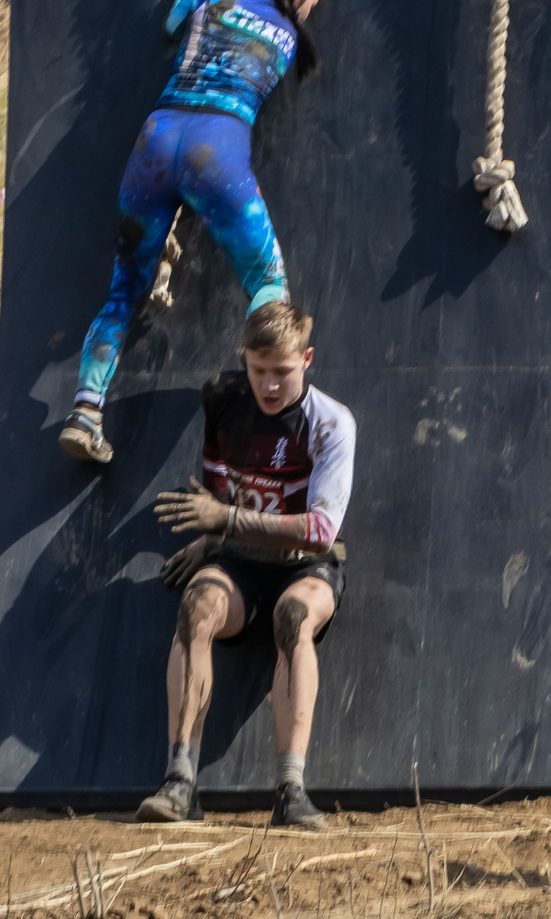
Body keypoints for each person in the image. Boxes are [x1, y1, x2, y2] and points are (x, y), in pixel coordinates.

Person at [59, 0, 325, 465]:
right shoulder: (289, 36)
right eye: (310, 4)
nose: (308, 15)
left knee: (123, 290)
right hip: (216, 148)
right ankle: (269, 402)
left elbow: (173, 21)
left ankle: (86, 411)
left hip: (155, 141)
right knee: (267, 280)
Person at [139, 302, 355, 830]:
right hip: (238, 562)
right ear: (245, 360)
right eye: (259, 371)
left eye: (282, 372)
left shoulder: (331, 423)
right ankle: (179, 782)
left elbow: (321, 531)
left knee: (293, 619)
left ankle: (290, 790)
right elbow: (218, 485)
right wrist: (211, 537)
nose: (270, 385)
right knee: (195, 608)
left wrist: (225, 519)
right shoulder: (223, 397)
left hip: (306, 568)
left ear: (306, 359)